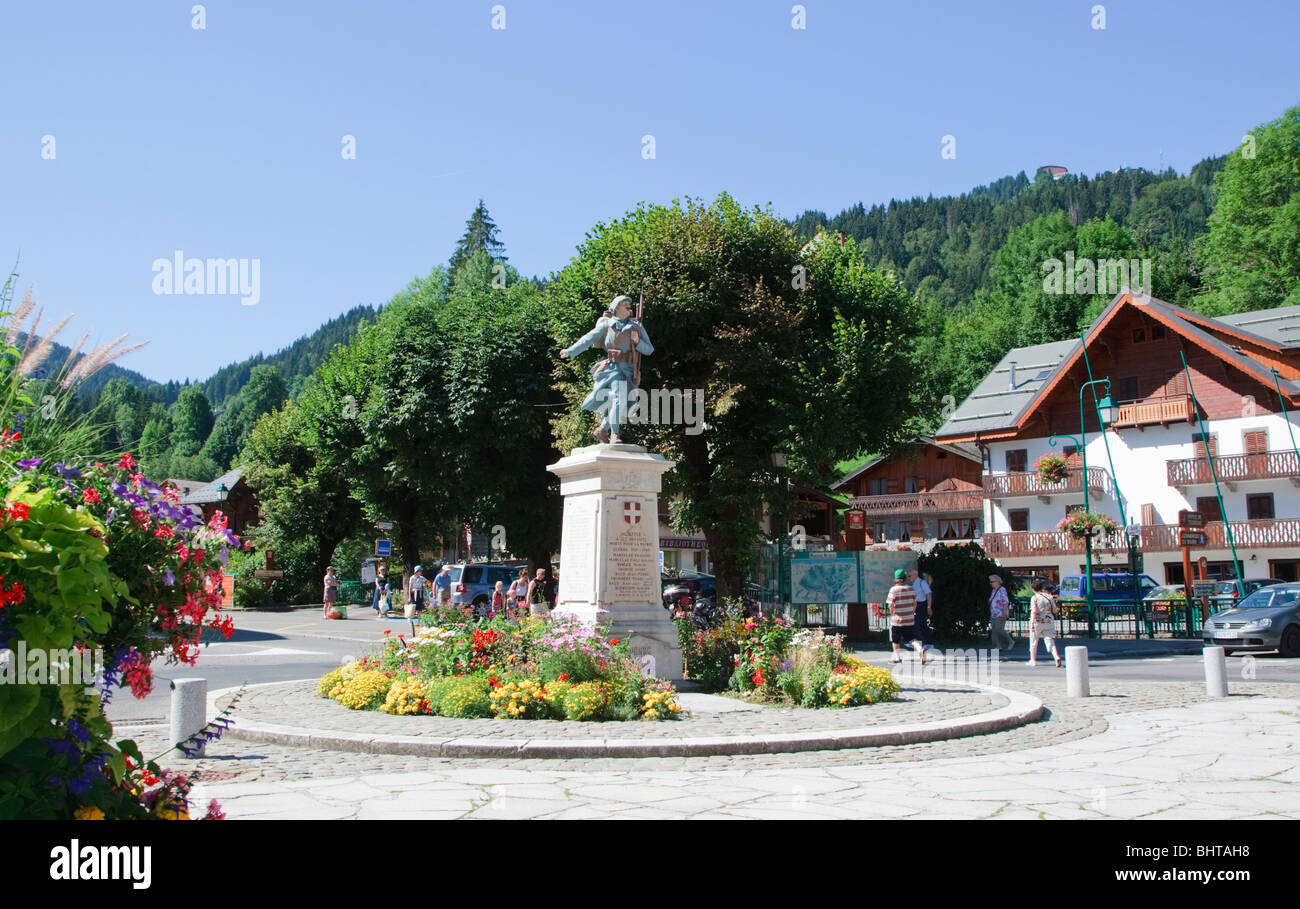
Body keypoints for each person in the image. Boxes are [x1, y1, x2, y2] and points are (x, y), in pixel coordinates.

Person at [559, 294, 654, 444]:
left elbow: (649, 350)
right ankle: (614, 434)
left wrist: (637, 341)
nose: (628, 306)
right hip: (613, 369)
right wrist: (570, 351)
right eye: (624, 304)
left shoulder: (637, 326)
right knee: (619, 398)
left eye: (629, 304)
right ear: (616, 307)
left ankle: (602, 429)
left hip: (630, 371)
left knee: (627, 403)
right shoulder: (607, 325)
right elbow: (587, 339)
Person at [886, 569, 923, 664]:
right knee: (911, 638)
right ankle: (919, 649)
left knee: (895, 640)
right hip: (909, 620)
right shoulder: (911, 589)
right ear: (905, 578)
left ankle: (897, 657)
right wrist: (911, 612)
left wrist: (892, 613)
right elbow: (915, 603)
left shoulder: (893, 590)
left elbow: (890, 605)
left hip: (897, 620)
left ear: (895, 579)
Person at [1028, 579, 1062, 667]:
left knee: (1033, 641)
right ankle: (1056, 656)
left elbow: (1034, 611)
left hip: (1038, 621)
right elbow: (1054, 610)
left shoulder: (1034, 598)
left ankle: (1033, 660)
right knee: (1049, 640)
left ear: (1033, 589)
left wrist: (1032, 622)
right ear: (1042, 588)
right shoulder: (1049, 597)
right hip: (1049, 620)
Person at [908, 567, 934, 652]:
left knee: (916, 623)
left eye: (910, 575)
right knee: (922, 624)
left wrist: (929, 607)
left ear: (915, 574)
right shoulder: (914, 583)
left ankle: (914, 642)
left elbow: (928, 594)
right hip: (916, 604)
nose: (909, 577)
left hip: (921, 605)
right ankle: (929, 643)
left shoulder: (921, 582)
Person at [989, 574, 1013, 653]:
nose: (991, 583)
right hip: (993, 613)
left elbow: (1006, 602)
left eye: (992, 581)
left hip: (1000, 613)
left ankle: (1010, 641)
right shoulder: (993, 591)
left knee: (999, 629)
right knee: (995, 630)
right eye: (990, 582)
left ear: (997, 582)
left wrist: (1004, 613)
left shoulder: (1002, 589)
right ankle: (998, 646)